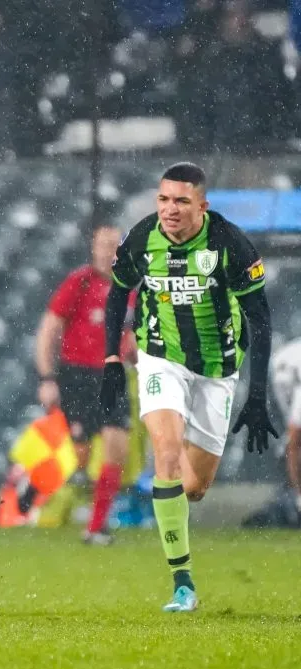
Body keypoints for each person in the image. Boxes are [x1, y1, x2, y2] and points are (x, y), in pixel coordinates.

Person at [100, 162, 276, 613]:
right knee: (167, 453)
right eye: (163, 199)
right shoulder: (142, 239)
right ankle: (182, 584)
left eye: (180, 201)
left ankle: (168, 505)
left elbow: (260, 316)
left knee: (194, 488)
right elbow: (118, 291)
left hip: (218, 368)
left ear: (202, 205)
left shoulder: (229, 244)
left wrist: (256, 396)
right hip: (161, 356)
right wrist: (111, 359)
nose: (169, 209)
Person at [35, 225, 132, 545]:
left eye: (114, 245)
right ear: (93, 248)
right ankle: (37, 500)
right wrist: (47, 377)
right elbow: (49, 328)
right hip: (77, 375)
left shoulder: (130, 287)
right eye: (103, 245)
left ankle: (96, 526)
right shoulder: (80, 282)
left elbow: (135, 333)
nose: (109, 252)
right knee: (79, 454)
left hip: (113, 375)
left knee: (118, 447)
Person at [272, 337, 301, 512]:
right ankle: (298, 499)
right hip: (288, 395)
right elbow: (294, 436)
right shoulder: (286, 355)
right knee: (293, 443)